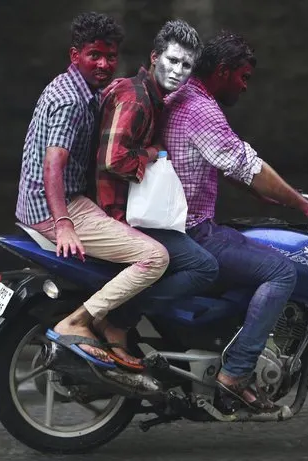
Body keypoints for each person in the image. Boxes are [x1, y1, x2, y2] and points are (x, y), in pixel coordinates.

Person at [161, 31, 308, 410]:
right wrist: (304, 206)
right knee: (281, 271)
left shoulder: (183, 98)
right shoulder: (201, 109)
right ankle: (237, 372)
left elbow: (219, 161)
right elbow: (247, 164)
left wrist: (262, 194)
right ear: (223, 71)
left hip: (179, 226)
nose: (245, 87)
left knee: (252, 239)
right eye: (243, 77)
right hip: (192, 232)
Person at [15, 12, 170, 369]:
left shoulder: (78, 89)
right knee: (155, 257)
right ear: (75, 56)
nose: (103, 64)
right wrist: (64, 224)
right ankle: (81, 320)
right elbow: (53, 165)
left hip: (50, 204)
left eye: (110, 57)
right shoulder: (70, 101)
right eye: (94, 56)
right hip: (56, 210)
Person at [96, 19, 218, 328]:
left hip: (131, 209)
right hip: (117, 214)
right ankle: (121, 318)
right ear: (155, 57)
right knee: (204, 267)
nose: (178, 70)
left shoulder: (151, 97)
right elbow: (114, 160)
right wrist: (151, 154)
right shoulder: (136, 98)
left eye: (186, 65)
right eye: (172, 60)